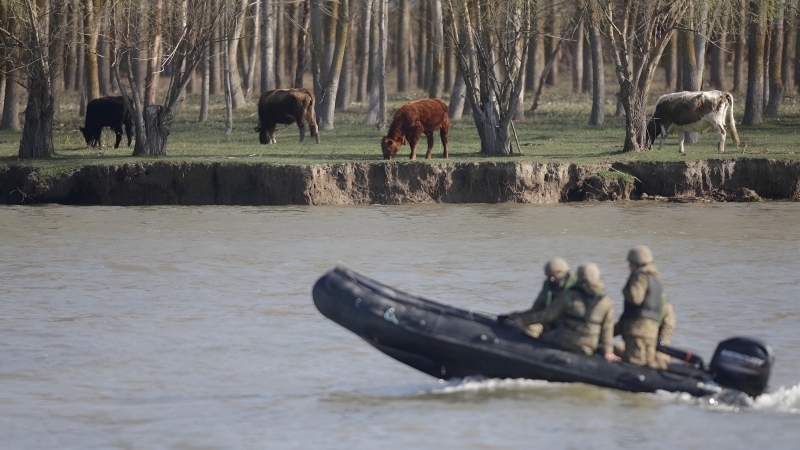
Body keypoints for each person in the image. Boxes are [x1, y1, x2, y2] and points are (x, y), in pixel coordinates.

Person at [510, 262, 619, 362]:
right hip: (589, 346)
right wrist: (608, 352)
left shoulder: (569, 295)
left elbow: (548, 315)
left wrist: (523, 320)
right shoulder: (606, 302)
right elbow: (607, 329)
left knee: (543, 336)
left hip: (564, 340)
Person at [615, 245, 667, 368]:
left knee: (634, 365)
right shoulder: (656, 281)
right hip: (650, 333)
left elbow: (635, 298)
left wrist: (626, 288)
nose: (629, 267)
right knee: (648, 365)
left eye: (630, 263)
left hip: (637, 332)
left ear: (636, 263)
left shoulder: (640, 276)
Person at [502, 257, 576, 338]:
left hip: (566, 326)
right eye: (549, 276)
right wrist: (511, 316)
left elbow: (549, 314)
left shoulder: (573, 290)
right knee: (529, 328)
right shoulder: (548, 288)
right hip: (548, 322)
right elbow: (535, 310)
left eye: (554, 276)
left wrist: (524, 320)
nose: (551, 279)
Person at [614, 299, 676, 369]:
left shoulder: (665, 307)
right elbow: (621, 325)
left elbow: (667, 330)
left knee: (660, 359)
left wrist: (661, 345)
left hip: (655, 345)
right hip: (636, 342)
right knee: (618, 348)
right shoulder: (635, 305)